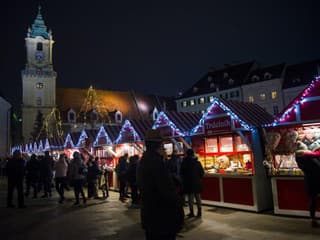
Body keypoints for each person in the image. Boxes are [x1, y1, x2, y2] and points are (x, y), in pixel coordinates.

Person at [137, 129, 184, 240]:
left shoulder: (143, 162)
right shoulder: (157, 164)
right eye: (163, 146)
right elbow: (167, 192)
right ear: (159, 146)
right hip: (162, 218)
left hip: (150, 216)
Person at [295, 141, 320, 228]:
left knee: (312, 200)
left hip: (309, 181)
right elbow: (318, 167)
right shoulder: (309, 157)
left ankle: (312, 219)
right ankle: (313, 221)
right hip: (316, 181)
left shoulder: (298, 158)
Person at [180, 148, 204, 218]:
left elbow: (181, 173)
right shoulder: (197, 163)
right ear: (193, 154)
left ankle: (192, 212)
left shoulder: (184, 163)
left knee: (190, 198)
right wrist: (199, 178)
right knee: (198, 197)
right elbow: (202, 173)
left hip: (188, 183)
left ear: (187, 154)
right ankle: (199, 212)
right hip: (197, 182)